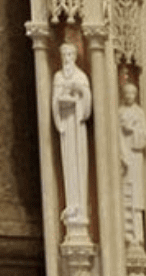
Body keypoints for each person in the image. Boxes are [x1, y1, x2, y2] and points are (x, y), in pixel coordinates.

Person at [53, 43, 92, 225]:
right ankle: (72, 206)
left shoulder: (81, 76)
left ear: (75, 56)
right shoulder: (58, 77)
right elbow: (54, 100)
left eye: (70, 54)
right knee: (68, 161)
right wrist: (59, 118)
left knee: (79, 161)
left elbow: (87, 103)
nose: (67, 58)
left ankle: (80, 208)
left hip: (77, 123)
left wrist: (80, 91)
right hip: (66, 125)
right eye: (64, 54)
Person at [118, 81, 146, 246]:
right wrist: (122, 155)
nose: (130, 96)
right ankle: (127, 234)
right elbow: (115, 135)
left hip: (136, 157)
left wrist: (133, 130)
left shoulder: (139, 112)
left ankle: (138, 235)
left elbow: (144, 134)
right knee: (125, 196)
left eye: (132, 93)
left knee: (137, 197)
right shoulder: (119, 112)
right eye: (127, 93)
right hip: (125, 159)